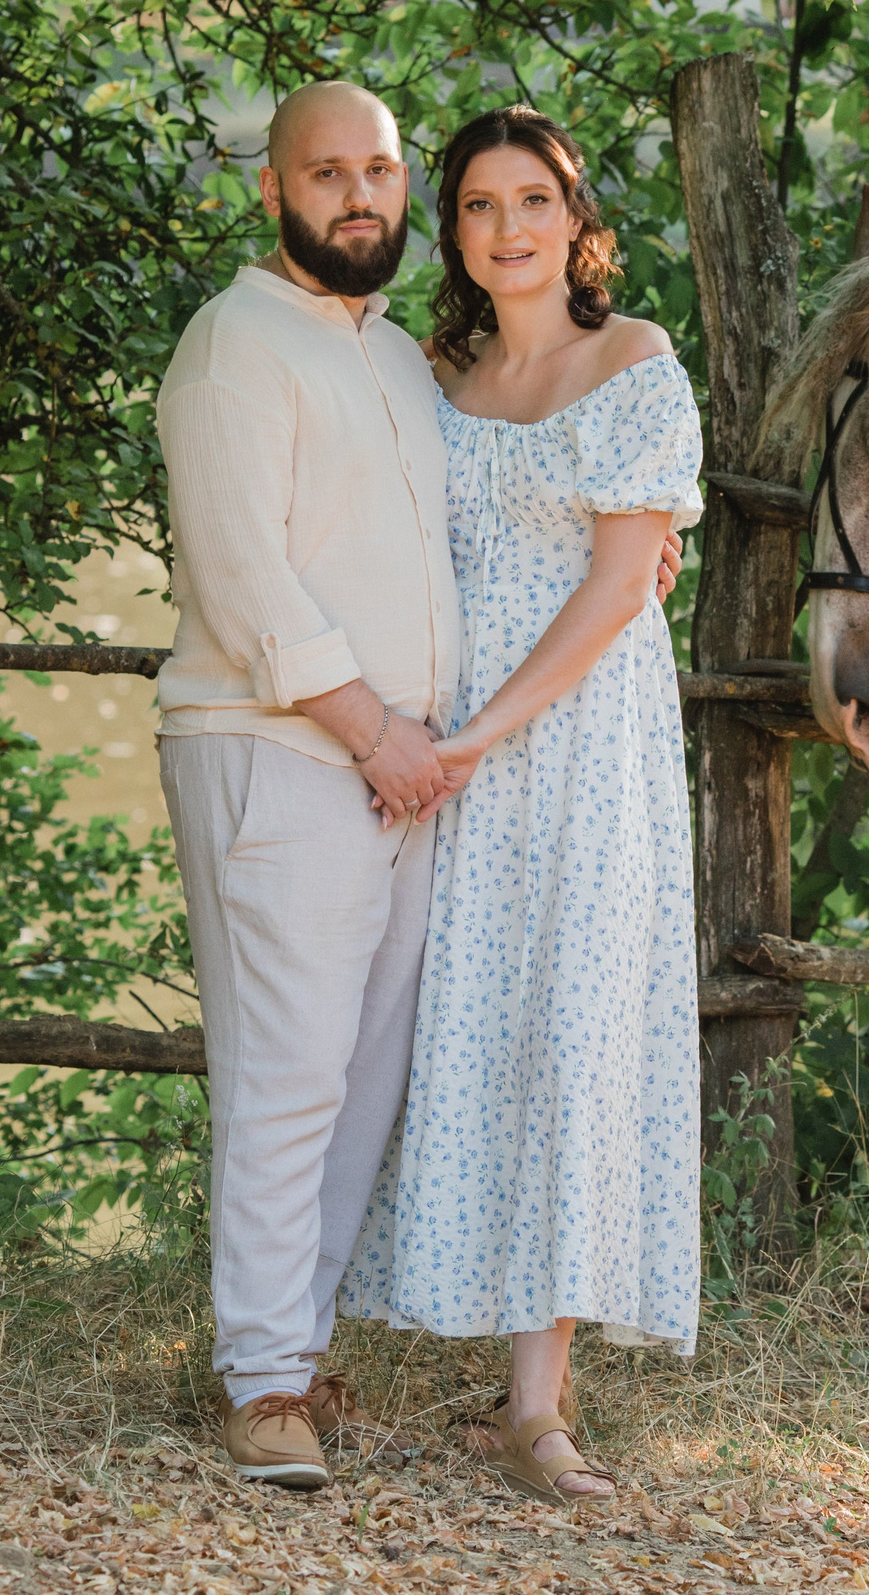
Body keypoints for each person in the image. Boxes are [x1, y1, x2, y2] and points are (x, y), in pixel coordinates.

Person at [154, 83, 680, 1491]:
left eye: (378, 171)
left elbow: (541, 536)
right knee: (289, 1079)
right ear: (274, 192)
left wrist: (626, 565)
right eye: (328, 175)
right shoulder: (233, 350)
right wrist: (380, 732)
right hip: (296, 752)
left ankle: (297, 1354)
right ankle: (263, 1383)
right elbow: (246, 584)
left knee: (367, 1079)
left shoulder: (396, 361)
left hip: (423, 775)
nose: (358, 198)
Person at [341, 105, 705, 1505]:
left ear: (576, 219)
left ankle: (537, 1406)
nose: (506, 230)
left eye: (531, 202)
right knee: (444, 1019)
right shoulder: (428, 377)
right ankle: (312, 1331)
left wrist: (476, 738)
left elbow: (621, 587)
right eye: (479, 207)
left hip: (576, 746)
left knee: (573, 1025)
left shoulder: (636, 363)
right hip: (437, 743)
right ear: (455, 233)